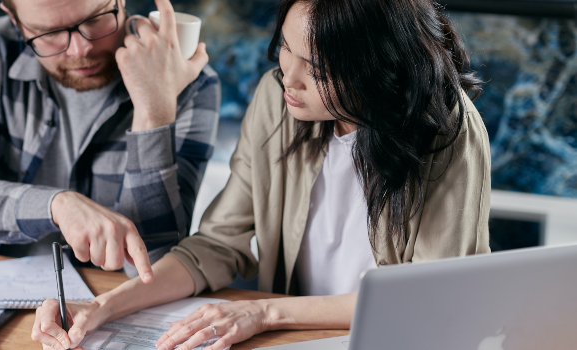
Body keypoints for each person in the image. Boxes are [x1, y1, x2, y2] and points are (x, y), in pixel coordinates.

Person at [31, 0, 491, 349]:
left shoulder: (448, 130)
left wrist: (265, 312)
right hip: (293, 340)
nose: (287, 77)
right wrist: (102, 307)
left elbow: (428, 297)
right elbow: (215, 245)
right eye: (286, 50)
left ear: (377, 69)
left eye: (316, 69)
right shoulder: (277, 100)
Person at [0, 0, 220, 281]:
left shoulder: (188, 80)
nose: (81, 49)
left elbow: (155, 265)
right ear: (15, 19)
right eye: (48, 33)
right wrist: (56, 206)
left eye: (95, 19)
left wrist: (153, 112)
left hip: (114, 303)